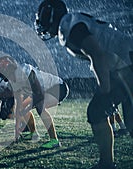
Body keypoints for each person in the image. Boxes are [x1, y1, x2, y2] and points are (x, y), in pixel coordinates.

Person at [35, 0, 133, 168]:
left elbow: (97, 54)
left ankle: (106, 163)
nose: (40, 22)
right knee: (99, 112)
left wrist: (105, 89)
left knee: (100, 111)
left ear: (50, 14)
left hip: (127, 66)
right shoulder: (73, 22)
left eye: (42, 16)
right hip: (123, 67)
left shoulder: (68, 26)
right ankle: (106, 163)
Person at [0, 56, 69, 149]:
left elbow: (39, 94)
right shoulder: (13, 81)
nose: (0, 76)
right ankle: (34, 134)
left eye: (0, 72)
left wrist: (27, 108)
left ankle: (54, 140)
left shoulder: (24, 71)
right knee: (22, 108)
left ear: (6, 69)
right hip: (44, 92)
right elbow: (19, 104)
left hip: (58, 87)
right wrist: (16, 131)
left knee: (40, 106)